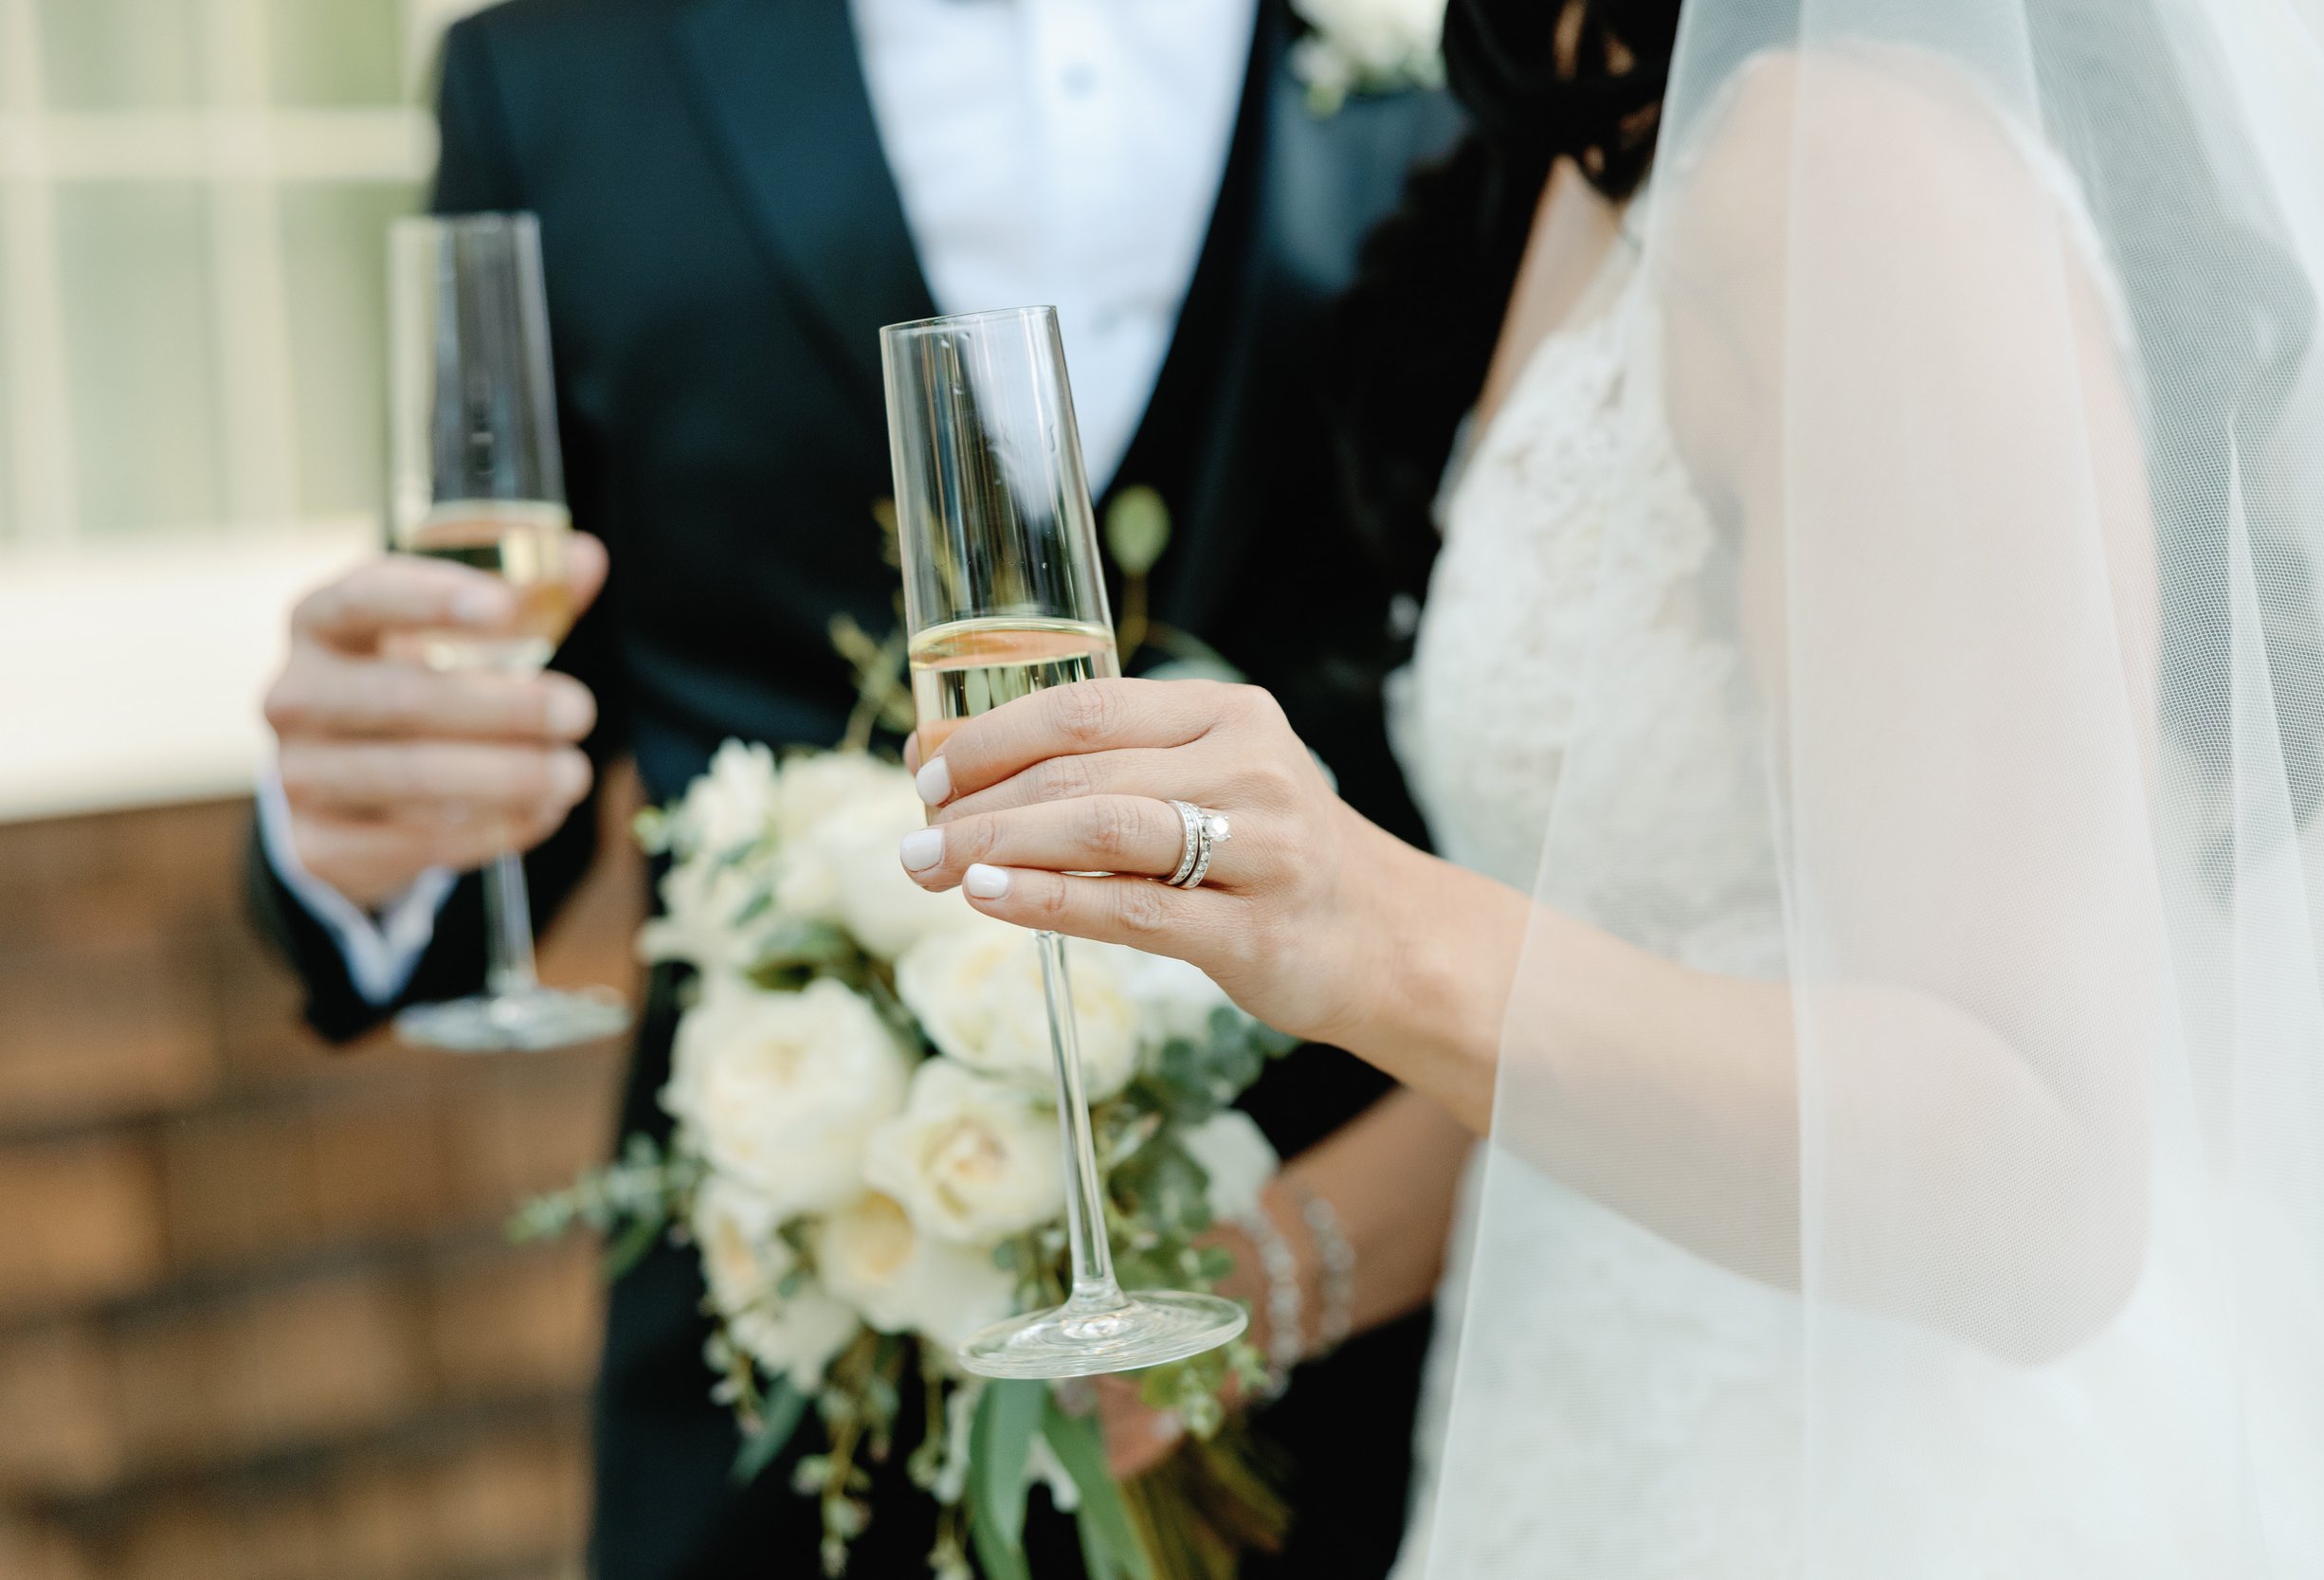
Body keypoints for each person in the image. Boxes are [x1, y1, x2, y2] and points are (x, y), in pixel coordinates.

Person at [899, 0, 2324, 1571]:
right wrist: (1267, 1277)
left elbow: (2042, 1173)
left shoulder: (1847, 157)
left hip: (1860, 1484)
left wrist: (1360, 915)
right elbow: (1660, 953)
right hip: (1569, 1435)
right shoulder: (1600, 136)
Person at [249, 0, 1470, 1574]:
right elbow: (491, 678)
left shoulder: (1477, 58)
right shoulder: (555, 72)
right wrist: (362, 822)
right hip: (789, 1377)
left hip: (1370, 1369)